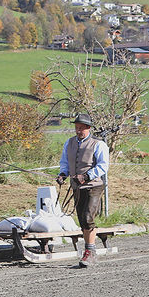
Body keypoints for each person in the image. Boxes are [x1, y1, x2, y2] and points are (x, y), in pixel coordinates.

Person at [56, 113, 109, 268]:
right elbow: (65, 162)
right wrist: (63, 174)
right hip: (77, 187)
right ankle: (89, 250)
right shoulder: (69, 143)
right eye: (76, 128)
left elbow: (103, 166)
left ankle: (90, 252)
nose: (78, 131)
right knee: (82, 221)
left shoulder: (98, 145)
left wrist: (87, 176)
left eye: (81, 128)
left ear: (88, 128)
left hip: (94, 186)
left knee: (87, 217)